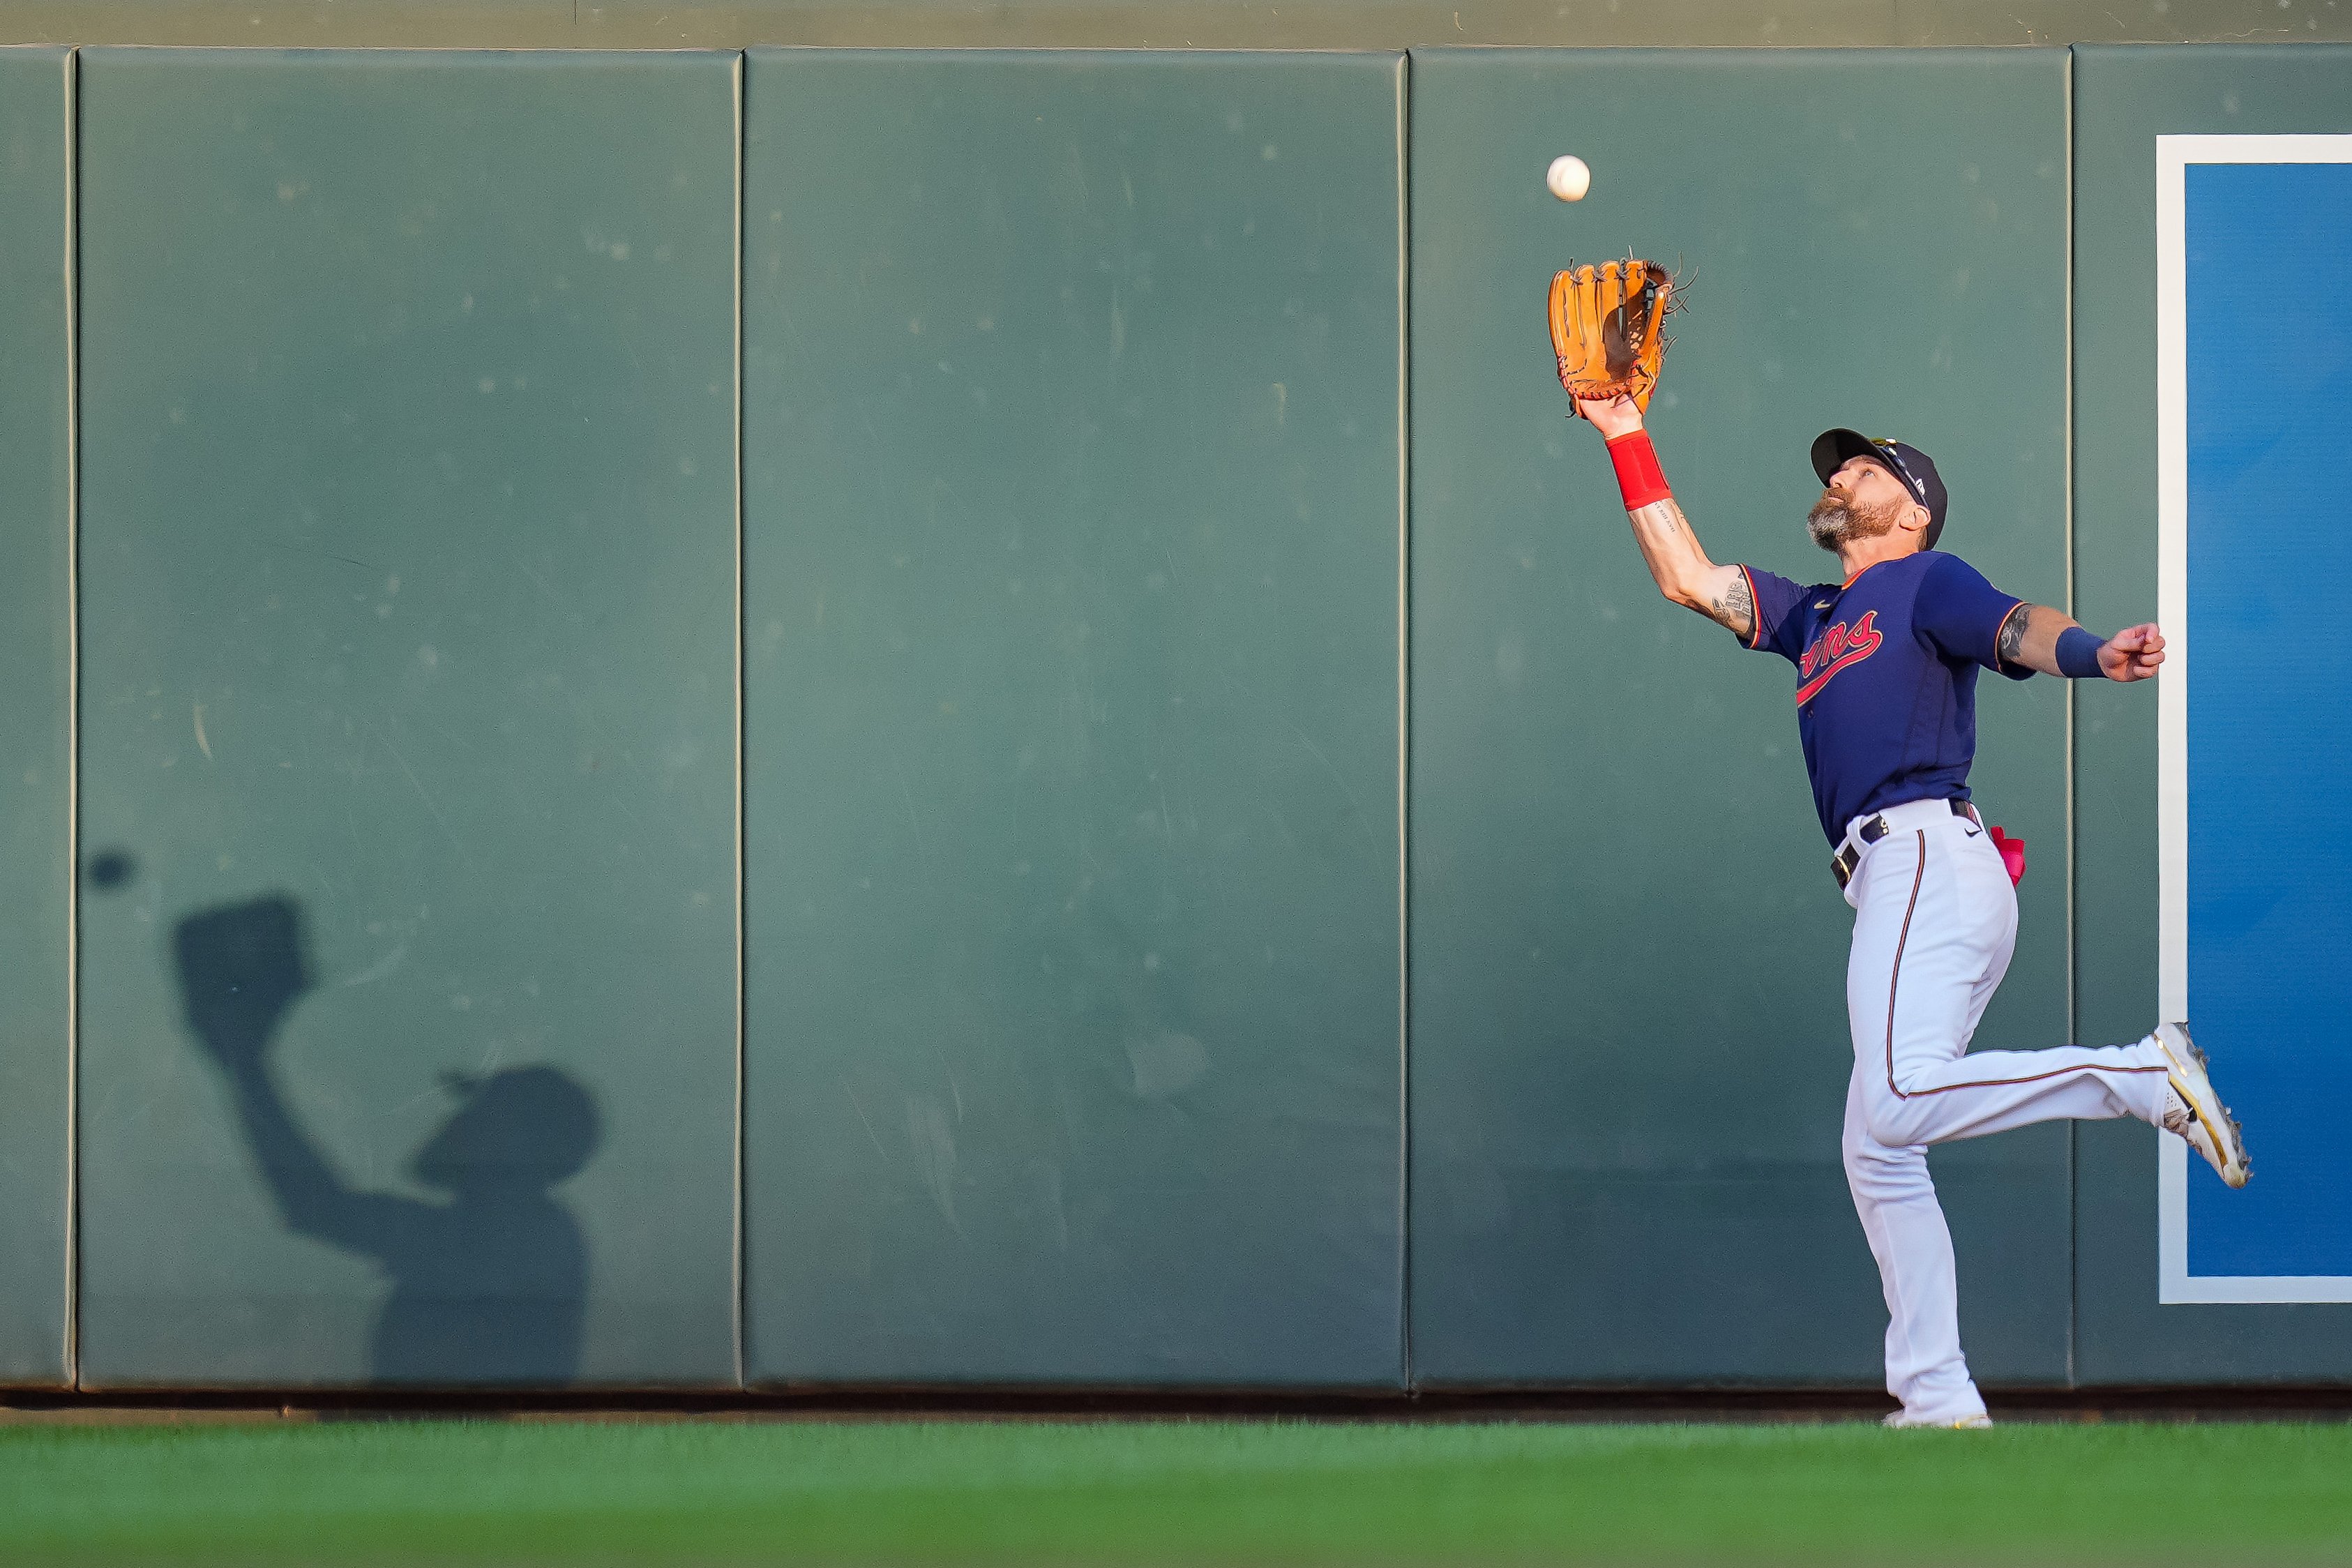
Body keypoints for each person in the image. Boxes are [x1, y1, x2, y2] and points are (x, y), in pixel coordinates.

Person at [1573, 392, 2250, 1429]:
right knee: (1881, 1146)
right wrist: (1625, 430)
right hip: (1911, 879)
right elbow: (1687, 577)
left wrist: (2094, 651)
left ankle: (2140, 1074)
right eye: (1839, 468)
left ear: (1913, 511)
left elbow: (2017, 625)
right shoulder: (1813, 617)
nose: (1839, 477)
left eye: (1866, 470)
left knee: (1892, 1103)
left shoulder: (1925, 580)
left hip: (1926, 851)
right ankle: (1937, 1396)